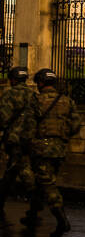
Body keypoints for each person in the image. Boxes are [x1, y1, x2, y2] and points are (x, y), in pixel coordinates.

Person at [21, 68, 82, 237]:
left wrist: (27, 144)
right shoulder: (67, 101)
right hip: (59, 149)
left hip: (41, 149)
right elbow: (76, 124)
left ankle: (62, 220)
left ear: (40, 83)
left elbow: (28, 127)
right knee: (44, 182)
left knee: (48, 185)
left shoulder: (36, 101)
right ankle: (33, 214)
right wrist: (62, 136)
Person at [0, 67, 36, 213]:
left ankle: (35, 200)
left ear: (13, 79)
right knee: (13, 170)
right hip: (30, 138)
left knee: (19, 170)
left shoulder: (9, 94)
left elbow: (3, 117)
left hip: (15, 139)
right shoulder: (34, 94)